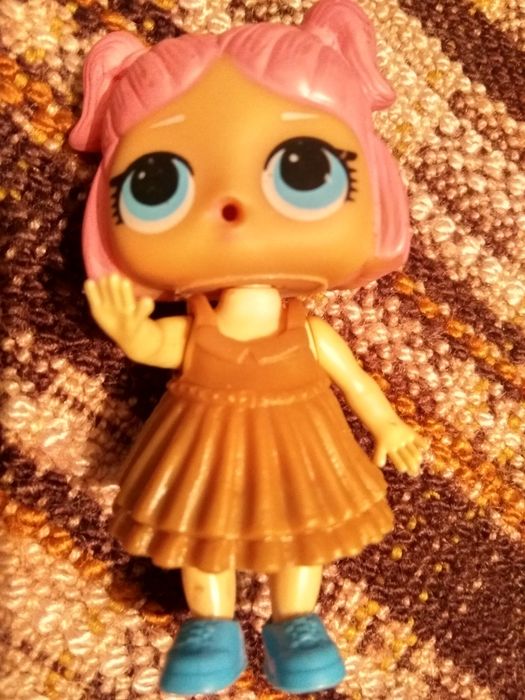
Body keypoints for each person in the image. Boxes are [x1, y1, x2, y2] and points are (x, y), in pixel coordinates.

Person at [70, 0, 427, 693]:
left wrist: (386, 423)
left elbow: (351, 376)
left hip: (300, 444)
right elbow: (156, 342)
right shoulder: (198, 328)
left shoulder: (306, 330)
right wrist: (128, 329)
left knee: (303, 532)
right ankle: (210, 626)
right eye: (157, 183)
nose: (231, 207)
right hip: (202, 447)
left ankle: (297, 620)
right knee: (204, 533)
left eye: (304, 169)